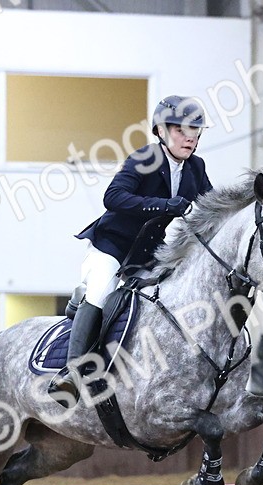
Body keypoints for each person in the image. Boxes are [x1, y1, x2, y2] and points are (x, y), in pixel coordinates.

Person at [48, 95, 214, 405]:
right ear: (161, 131)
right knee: (100, 291)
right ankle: (70, 374)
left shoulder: (196, 168)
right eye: (181, 130)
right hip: (111, 247)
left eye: (195, 131)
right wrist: (164, 205)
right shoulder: (144, 158)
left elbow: (212, 208)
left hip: (148, 255)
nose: (190, 137)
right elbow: (113, 198)